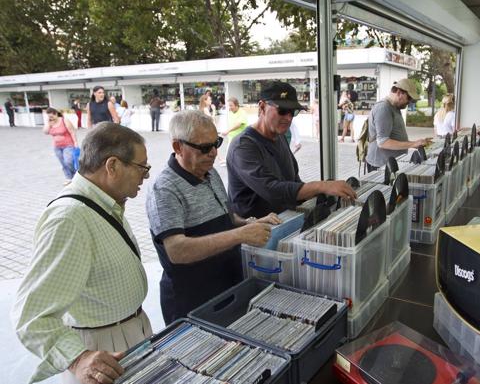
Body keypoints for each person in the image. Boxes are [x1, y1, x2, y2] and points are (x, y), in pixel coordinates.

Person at [12, 122, 153, 384]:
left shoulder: (105, 204)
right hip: (102, 351)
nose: (145, 176)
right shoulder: (69, 219)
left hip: (129, 332)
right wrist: (78, 358)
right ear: (112, 166)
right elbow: (30, 316)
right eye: (141, 167)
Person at [146, 110, 280, 325]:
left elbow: (226, 217)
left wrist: (249, 223)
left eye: (216, 143)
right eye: (204, 148)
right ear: (177, 147)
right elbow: (177, 250)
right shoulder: (164, 190)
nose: (213, 153)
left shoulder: (210, 173)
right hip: (192, 301)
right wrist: (240, 234)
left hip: (228, 286)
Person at [227, 81, 357, 218]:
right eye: (282, 111)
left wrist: (327, 192)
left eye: (293, 112)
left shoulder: (280, 137)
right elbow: (272, 190)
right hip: (256, 232)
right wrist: (322, 186)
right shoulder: (243, 146)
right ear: (262, 107)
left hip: (285, 221)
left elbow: (293, 182)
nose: (288, 118)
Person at [365, 78, 433, 172]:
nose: (409, 102)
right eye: (409, 98)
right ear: (399, 92)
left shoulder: (394, 107)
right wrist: (413, 144)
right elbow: (383, 142)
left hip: (389, 164)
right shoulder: (384, 108)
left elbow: (395, 136)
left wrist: (416, 143)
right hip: (381, 166)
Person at [43, 107, 78, 185]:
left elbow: (72, 131)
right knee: (63, 163)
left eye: (51, 116)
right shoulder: (50, 123)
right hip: (57, 147)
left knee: (68, 161)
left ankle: (76, 176)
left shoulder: (64, 120)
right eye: (49, 117)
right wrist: (48, 124)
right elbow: (45, 132)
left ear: (55, 114)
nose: (50, 118)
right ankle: (69, 178)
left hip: (68, 145)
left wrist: (75, 143)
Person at [219, 97, 248, 165]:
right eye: (228, 105)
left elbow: (238, 124)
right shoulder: (230, 112)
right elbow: (231, 123)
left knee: (240, 153)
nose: (229, 107)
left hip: (241, 138)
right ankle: (228, 161)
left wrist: (227, 131)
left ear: (236, 105)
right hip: (232, 137)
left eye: (231, 105)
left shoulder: (242, 112)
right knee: (231, 152)